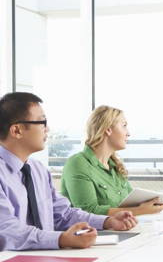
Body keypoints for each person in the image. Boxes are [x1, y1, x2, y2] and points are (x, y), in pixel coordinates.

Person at [0, 92, 138, 251]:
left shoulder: (38, 171)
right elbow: (7, 230)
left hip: (46, 259)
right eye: (42, 122)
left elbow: (63, 214)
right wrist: (61, 239)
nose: (47, 128)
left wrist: (107, 221)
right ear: (17, 130)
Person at [61, 105, 163, 216]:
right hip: (93, 239)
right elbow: (88, 211)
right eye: (124, 126)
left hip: (118, 233)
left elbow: (133, 204)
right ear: (108, 129)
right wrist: (139, 211)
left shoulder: (114, 167)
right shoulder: (78, 163)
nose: (128, 133)